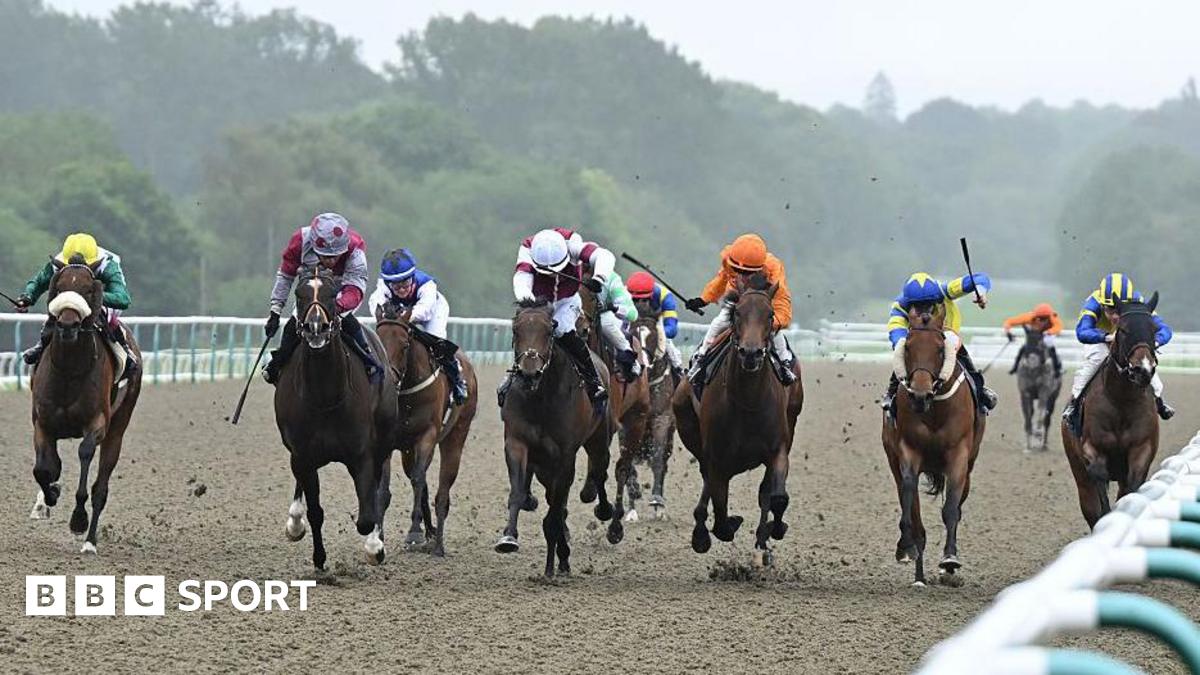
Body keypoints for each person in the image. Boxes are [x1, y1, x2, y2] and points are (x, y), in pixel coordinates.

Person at [498, 227, 615, 408]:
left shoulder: (573, 244)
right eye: (547, 272)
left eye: (556, 270)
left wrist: (599, 278)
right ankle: (513, 375)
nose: (552, 274)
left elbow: (605, 256)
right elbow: (521, 280)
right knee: (528, 329)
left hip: (567, 301)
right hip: (538, 303)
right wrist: (530, 306)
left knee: (561, 329)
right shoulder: (528, 249)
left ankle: (593, 380)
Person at [262, 212, 382, 384]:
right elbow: (286, 276)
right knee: (293, 324)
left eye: (335, 256)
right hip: (311, 292)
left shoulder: (355, 248)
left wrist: (335, 306)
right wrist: (275, 310)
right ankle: (278, 364)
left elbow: (355, 289)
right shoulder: (299, 241)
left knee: (346, 320)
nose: (331, 261)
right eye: (325, 256)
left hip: (341, 293)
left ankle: (368, 359)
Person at [684, 234, 796, 398]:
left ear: (760, 269)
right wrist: (703, 299)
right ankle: (700, 359)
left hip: (762, 304)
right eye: (738, 271)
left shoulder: (773, 270)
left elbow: (782, 301)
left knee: (775, 332)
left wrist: (774, 322)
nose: (741, 276)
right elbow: (720, 280)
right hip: (738, 300)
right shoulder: (731, 258)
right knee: (717, 323)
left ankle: (784, 364)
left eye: (747, 273)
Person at [16, 233, 138, 378]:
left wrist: (93, 296)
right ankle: (42, 344)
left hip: (96, 300)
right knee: (58, 312)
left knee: (108, 316)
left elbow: (123, 299)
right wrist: (27, 297)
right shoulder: (59, 262)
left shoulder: (108, 265)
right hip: (68, 299)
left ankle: (123, 347)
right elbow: (38, 282)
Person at [1062, 273, 1174, 423]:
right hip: (1099, 339)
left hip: (1127, 339)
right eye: (1110, 309)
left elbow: (1165, 329)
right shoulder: (1093, 302)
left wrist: (1155, 342)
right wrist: (1106, 337)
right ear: (1102, 304)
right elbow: (1082, 332)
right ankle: (1074, 402)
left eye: (1119, 310)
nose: (1115, 316)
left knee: (1146, 363)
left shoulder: (1138, 301)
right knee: (1096, 359)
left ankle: (1159, 401)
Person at [881, 272, 997, 413]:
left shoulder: (944, 291)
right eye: (918, 306)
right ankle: (892, 392)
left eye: (928, 305)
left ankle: (980, 391)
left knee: (961, 354)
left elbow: (979, 279)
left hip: (945, 337)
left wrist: (980, 291)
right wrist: (903, 343)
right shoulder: (900, 307)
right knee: (903, 349)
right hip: (917, 341)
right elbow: (896, 329)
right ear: (909, 302)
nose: (924, 311)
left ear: (935, 297)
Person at [367, 248, 469, 405]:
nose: (401, 289)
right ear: (388, 283)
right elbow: (375, 302)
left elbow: (424, 311)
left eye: (405, 284)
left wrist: (404, 318)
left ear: (412, 277)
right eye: (396, 286)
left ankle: (457, 381)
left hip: (432, 311)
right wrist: (386, 316)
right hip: (403, 311)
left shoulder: (427, 285)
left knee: (438, 343)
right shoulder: (383, 285)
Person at [627, 270, 685, 380]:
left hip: (657, 324)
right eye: (635, 300)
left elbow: (672, 329)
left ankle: (679, 372)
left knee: (669, 347)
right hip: (632, 325)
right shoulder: (623, 294)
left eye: (644, 300)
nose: (639, 305)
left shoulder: (665, 296)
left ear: (652, 296)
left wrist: (659, 332)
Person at [590, 270, 642, 381]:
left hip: (604, 315)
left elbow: (633, 314)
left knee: (605, 323)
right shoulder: (571, 271)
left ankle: (629, 357)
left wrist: (614, 307)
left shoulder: (611, 279)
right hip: (576, 311)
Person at [1003, 303, 1064, 375]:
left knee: (1050, 345)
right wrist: (1008, 332)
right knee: (1024, 348)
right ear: (1035, 316)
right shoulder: (1029, 317)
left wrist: (1049, 332)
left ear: (1049, 317)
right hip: (1035, 335)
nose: (1041, 321)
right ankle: (1015, 367)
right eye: (1039, 318)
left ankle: (1057, 369)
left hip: (1047, 334)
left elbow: (1058, 328)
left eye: (1044, 319)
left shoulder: (1054, 319)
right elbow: (1009, 322)